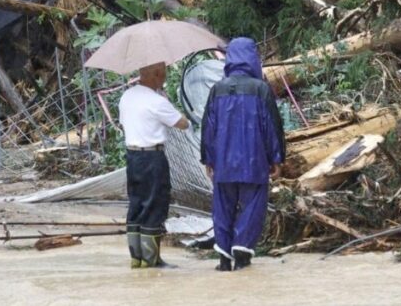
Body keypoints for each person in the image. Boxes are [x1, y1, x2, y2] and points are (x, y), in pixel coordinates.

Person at [200, 37, 285, 271]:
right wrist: (276, 158)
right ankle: (242, 250)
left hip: (223, 163)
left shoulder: (217, 89)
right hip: (254, 162)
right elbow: (272, 127)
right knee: (253, 206)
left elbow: (208, 128)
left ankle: (224, 259)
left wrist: (208, 159)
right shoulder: (261, 89)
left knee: (222, 208)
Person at [118, 61, 189, 269]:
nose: (164, 78)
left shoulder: (127, 96)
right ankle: (151, 260)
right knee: (155, 203)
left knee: (137, 203)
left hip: (132, 156)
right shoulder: (157, 101)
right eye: (164, 74)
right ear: (156, 75)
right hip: (152, 157)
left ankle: (137, 258)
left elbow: (123, 123)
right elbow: (182, 124)